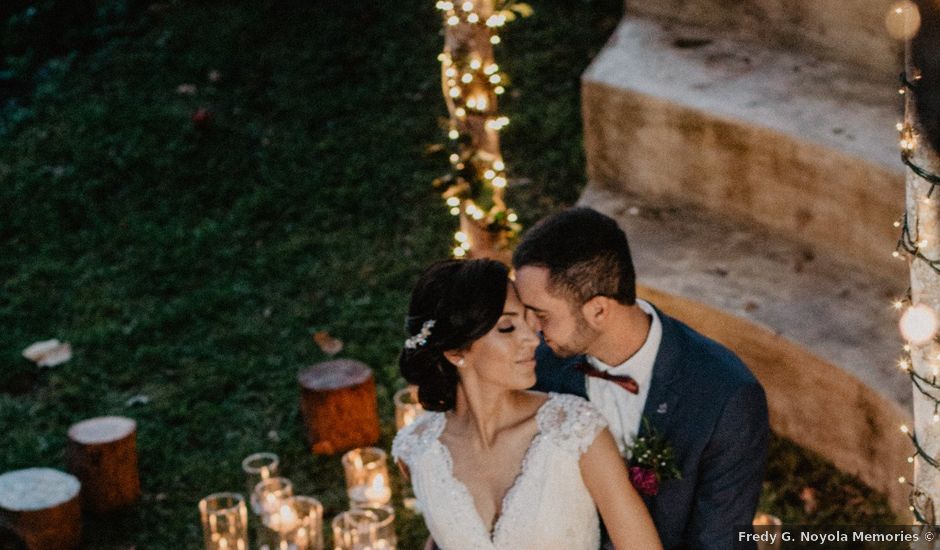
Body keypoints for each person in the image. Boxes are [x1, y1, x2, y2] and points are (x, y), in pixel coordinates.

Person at [512, 207, 769, 550]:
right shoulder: (538, 369)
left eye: (541, 315)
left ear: (599, 310)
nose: (531, 329)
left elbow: (718, 541)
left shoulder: (723, 395)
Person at [392, 259, 662, 550]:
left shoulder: (576, 432)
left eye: (528, 322)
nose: (532, 340)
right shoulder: (416, 451)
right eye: (508, 328)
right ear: (456, 352)